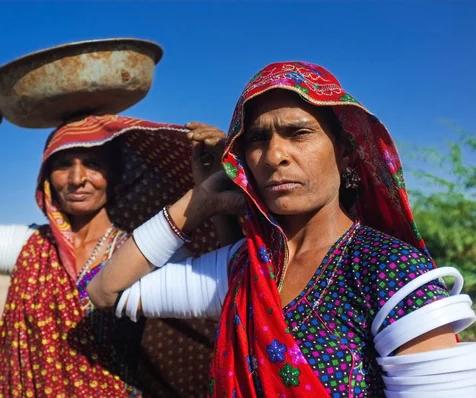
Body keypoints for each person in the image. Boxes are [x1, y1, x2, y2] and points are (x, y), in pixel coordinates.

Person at [87, 62, 476, 397]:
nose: (274, 156)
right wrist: (201, 199)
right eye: (257, 139)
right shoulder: (245, 269)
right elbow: (105, 290)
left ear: (344, 152)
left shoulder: (389, 271)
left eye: (298, 133)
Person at [0, 94, 225, 397]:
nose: (77, 178)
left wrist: (215, 178)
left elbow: (233, 280)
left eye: (92, 163)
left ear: (114, 176)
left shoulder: (145, 252)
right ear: (46, 178)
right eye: (63, 164)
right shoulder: (30, 247)